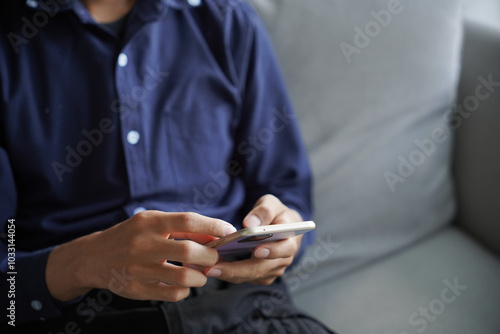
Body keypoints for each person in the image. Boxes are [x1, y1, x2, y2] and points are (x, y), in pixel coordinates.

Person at [0, 0, 335, 333]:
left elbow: (286, 192)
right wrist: (86, 262)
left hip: (243, 309)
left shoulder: (227, 18)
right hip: (79, 317)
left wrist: (283, 239)